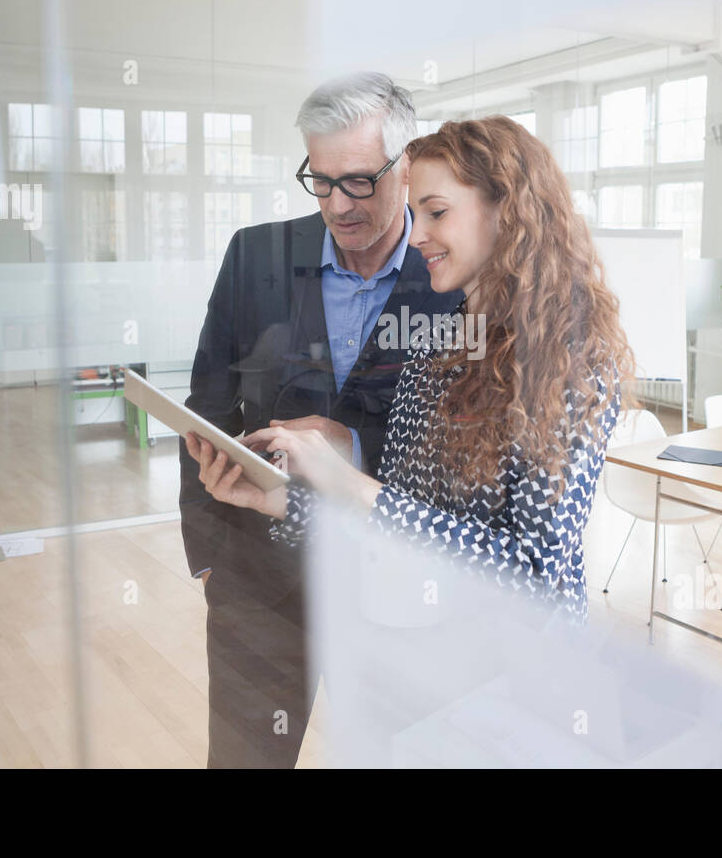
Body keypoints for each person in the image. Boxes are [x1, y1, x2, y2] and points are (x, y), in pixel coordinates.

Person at [188, 115, 634, 625]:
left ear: (507, 212)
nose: (417, 235)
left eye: (436, 213)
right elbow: (399, 518)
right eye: (415, 212)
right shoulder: (440, 338)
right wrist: (279, 500)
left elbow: (533, 575)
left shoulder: (571, 361)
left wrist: (354, 486)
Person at [178, 72, 462, 768]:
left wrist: (355, 445)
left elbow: (464, 451)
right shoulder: (255, 257)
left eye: (360, 181)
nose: (339, 204)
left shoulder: (455, 278)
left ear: (408, 166)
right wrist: (210, 554)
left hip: (394, 587)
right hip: (259, 580)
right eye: (322, 179)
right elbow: (208, 404)